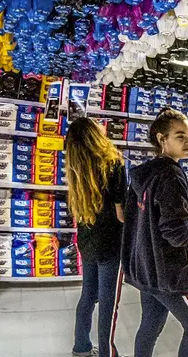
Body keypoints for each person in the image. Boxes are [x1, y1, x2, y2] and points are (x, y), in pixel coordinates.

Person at [122, 108, 188, 357]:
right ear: (162, 139)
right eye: (180, 136)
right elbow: (176, 234)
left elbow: (133, 220)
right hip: (170, 274)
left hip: (146, 270)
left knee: (149, 326)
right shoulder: (171, 176)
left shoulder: (144, 174)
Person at [65, 117, 128, 357]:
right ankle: (106, 353)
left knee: (88, 295)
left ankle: (80, 347)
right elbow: (121, 214)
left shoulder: (76, 166)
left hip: (87, 239)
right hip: (111, 241)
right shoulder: (113, 162)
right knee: (108, 304)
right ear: (96, 134)